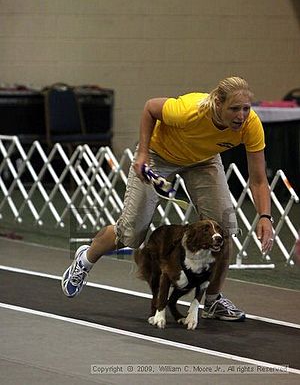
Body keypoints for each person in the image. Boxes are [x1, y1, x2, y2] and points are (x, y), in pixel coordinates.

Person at [62, 76, 274, 321]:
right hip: (158, 156)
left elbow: (258, 179)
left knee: (224, 231)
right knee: (131, 234)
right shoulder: (189, 111)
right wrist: (142, 154)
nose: (241, 115)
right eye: (234, 109)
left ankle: (213, 301)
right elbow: (150, 108)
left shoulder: (251, 125)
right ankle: (85, 259)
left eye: (246, 109)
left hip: (203, 161)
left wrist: (265, 216)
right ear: (218, 103)